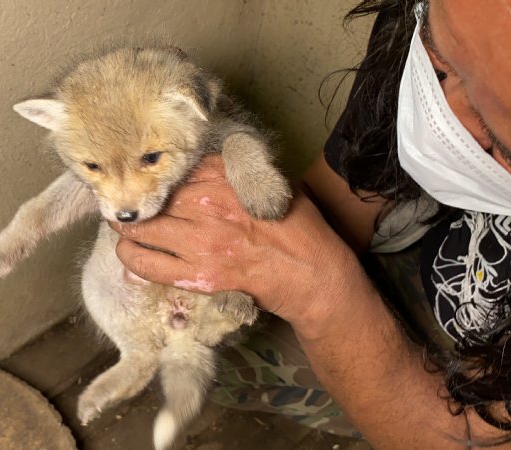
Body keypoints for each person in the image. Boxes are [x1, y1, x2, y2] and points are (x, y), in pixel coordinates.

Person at [108, 0, 511, 447]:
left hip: (478, 395)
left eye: (497, 142)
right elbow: (342, 193)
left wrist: (323, 295)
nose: (445, 117)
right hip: (440, 267)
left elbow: (466, 441)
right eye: (439, 62)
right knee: (195, 355)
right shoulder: (459, 19)